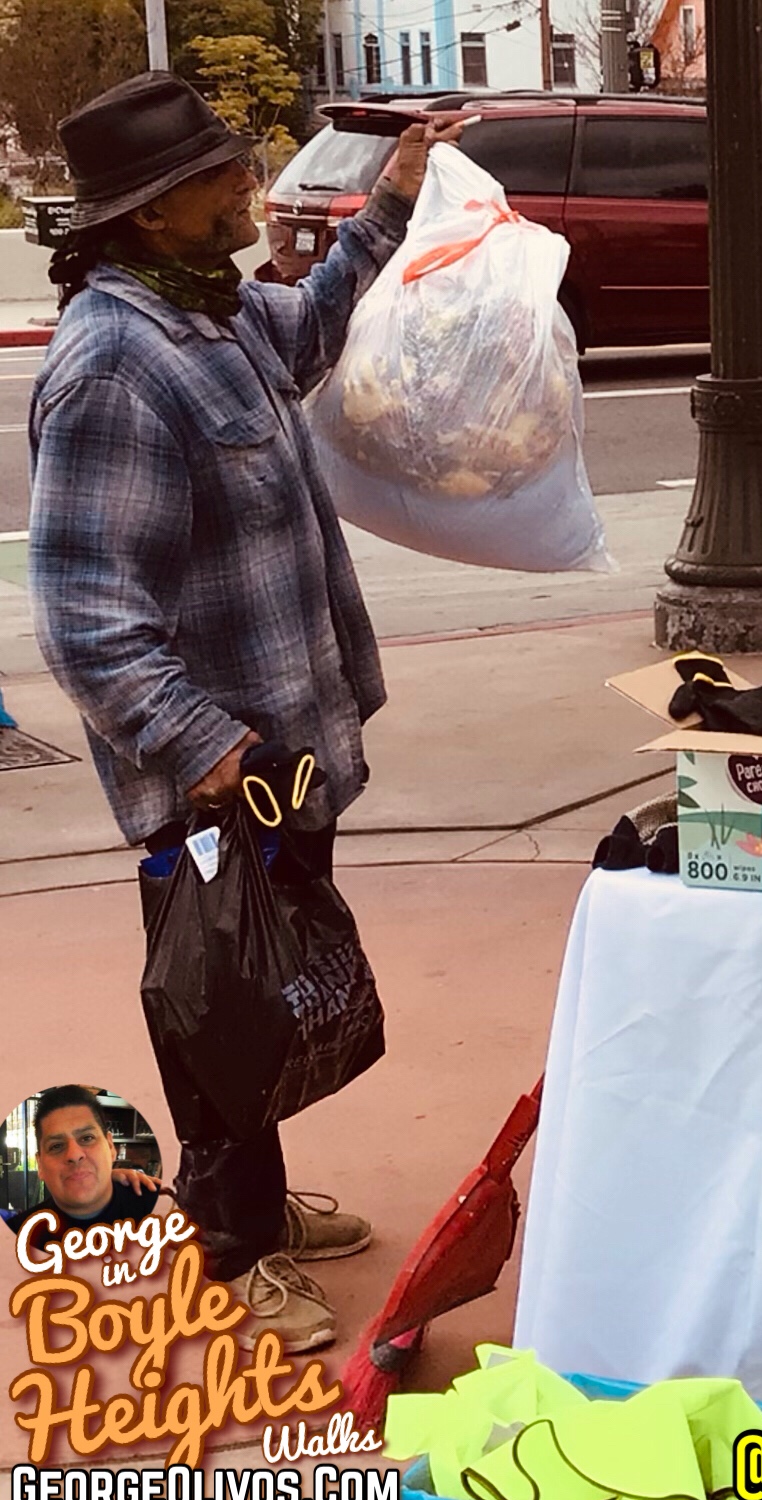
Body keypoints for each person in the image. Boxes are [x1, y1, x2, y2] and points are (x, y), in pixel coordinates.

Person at [27, 73, 465, 1352]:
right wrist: (207, 748)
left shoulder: (208, 312)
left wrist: (391, 200)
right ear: (152, 214)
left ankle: (258, 1204)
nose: (250, 185)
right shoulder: (115, 365)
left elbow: (313, 324)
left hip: (281, 751)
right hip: (217, 767)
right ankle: (231, 1242)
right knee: (215, 999)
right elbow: (86, 614)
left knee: (266, 987)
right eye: (221, 175)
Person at [3, 1086, 163, 1243]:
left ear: (110, 1147)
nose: (74, 1155)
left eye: (87, 1138)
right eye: (56, 1146)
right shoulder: (16, 1238)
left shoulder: (165, 1209)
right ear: (40, 1165)